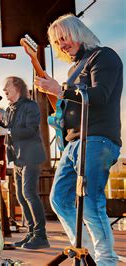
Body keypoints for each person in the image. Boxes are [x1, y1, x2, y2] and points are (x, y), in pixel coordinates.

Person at [35, 14, 123, 265]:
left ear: (78, 31)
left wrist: (60, 89)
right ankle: (86, 252)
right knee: (59, 198)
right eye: (56, 41)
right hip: (73, 143)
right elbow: (70, 106)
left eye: (64, 37)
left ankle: (106, 260)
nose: (61, 44)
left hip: (98, 139)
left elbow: (100, 96)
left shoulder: (104, 56)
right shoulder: (74, 68)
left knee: (92, 201)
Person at [0, 76, 49, 249]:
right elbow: (6, 127)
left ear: (17, 87)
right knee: (21, 196)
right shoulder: (10, 108)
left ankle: (41, 236)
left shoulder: (30, 106)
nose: (4, 90)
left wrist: (7, 130)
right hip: (17, 157)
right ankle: (31, 233)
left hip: (31, 155)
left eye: (7, 86)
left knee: (29, 193)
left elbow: (30, 130)